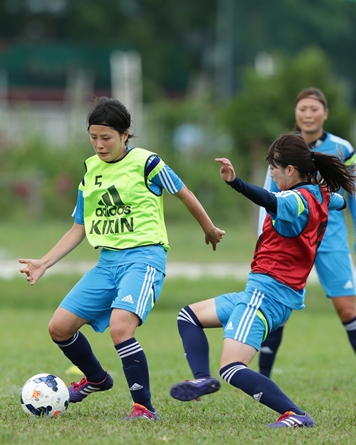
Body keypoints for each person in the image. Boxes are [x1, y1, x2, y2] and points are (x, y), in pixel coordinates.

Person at [18, 97, 225, 421]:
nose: (99, 145)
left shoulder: (148, 163)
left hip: (144, 259)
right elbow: (79, 227)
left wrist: (209, 228)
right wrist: (44, 262)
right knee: (59, 327)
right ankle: (97, 379)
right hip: (107, 263)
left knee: (120, 328)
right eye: (94, 137)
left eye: (106, 138)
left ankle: (143, 407)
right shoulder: (89, 172)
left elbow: (184, 193)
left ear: (126, 134)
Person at [169, 133, 356, 427]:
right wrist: (321, 188)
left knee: (232, 368)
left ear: (290, 171)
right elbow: (339, 203)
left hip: (267, 294)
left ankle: (295, 415)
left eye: (273, 168)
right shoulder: (321, 195)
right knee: (188, 316)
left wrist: (235, 183)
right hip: (265, 293)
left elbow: (269, 198)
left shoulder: (294, 199)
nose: (271, 174)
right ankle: (202, 380)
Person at [256, 87, 356, 395]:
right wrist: (263, 237)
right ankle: (263, 377)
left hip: (330, 239)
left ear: (325, 113)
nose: (308, 114)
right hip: (290, 240)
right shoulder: (285, 147)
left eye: (314, 109)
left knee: (346, 308)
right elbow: (268, 195)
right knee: (277, 305)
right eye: (303, 109)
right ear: (296, 114)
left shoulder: (341, 148)